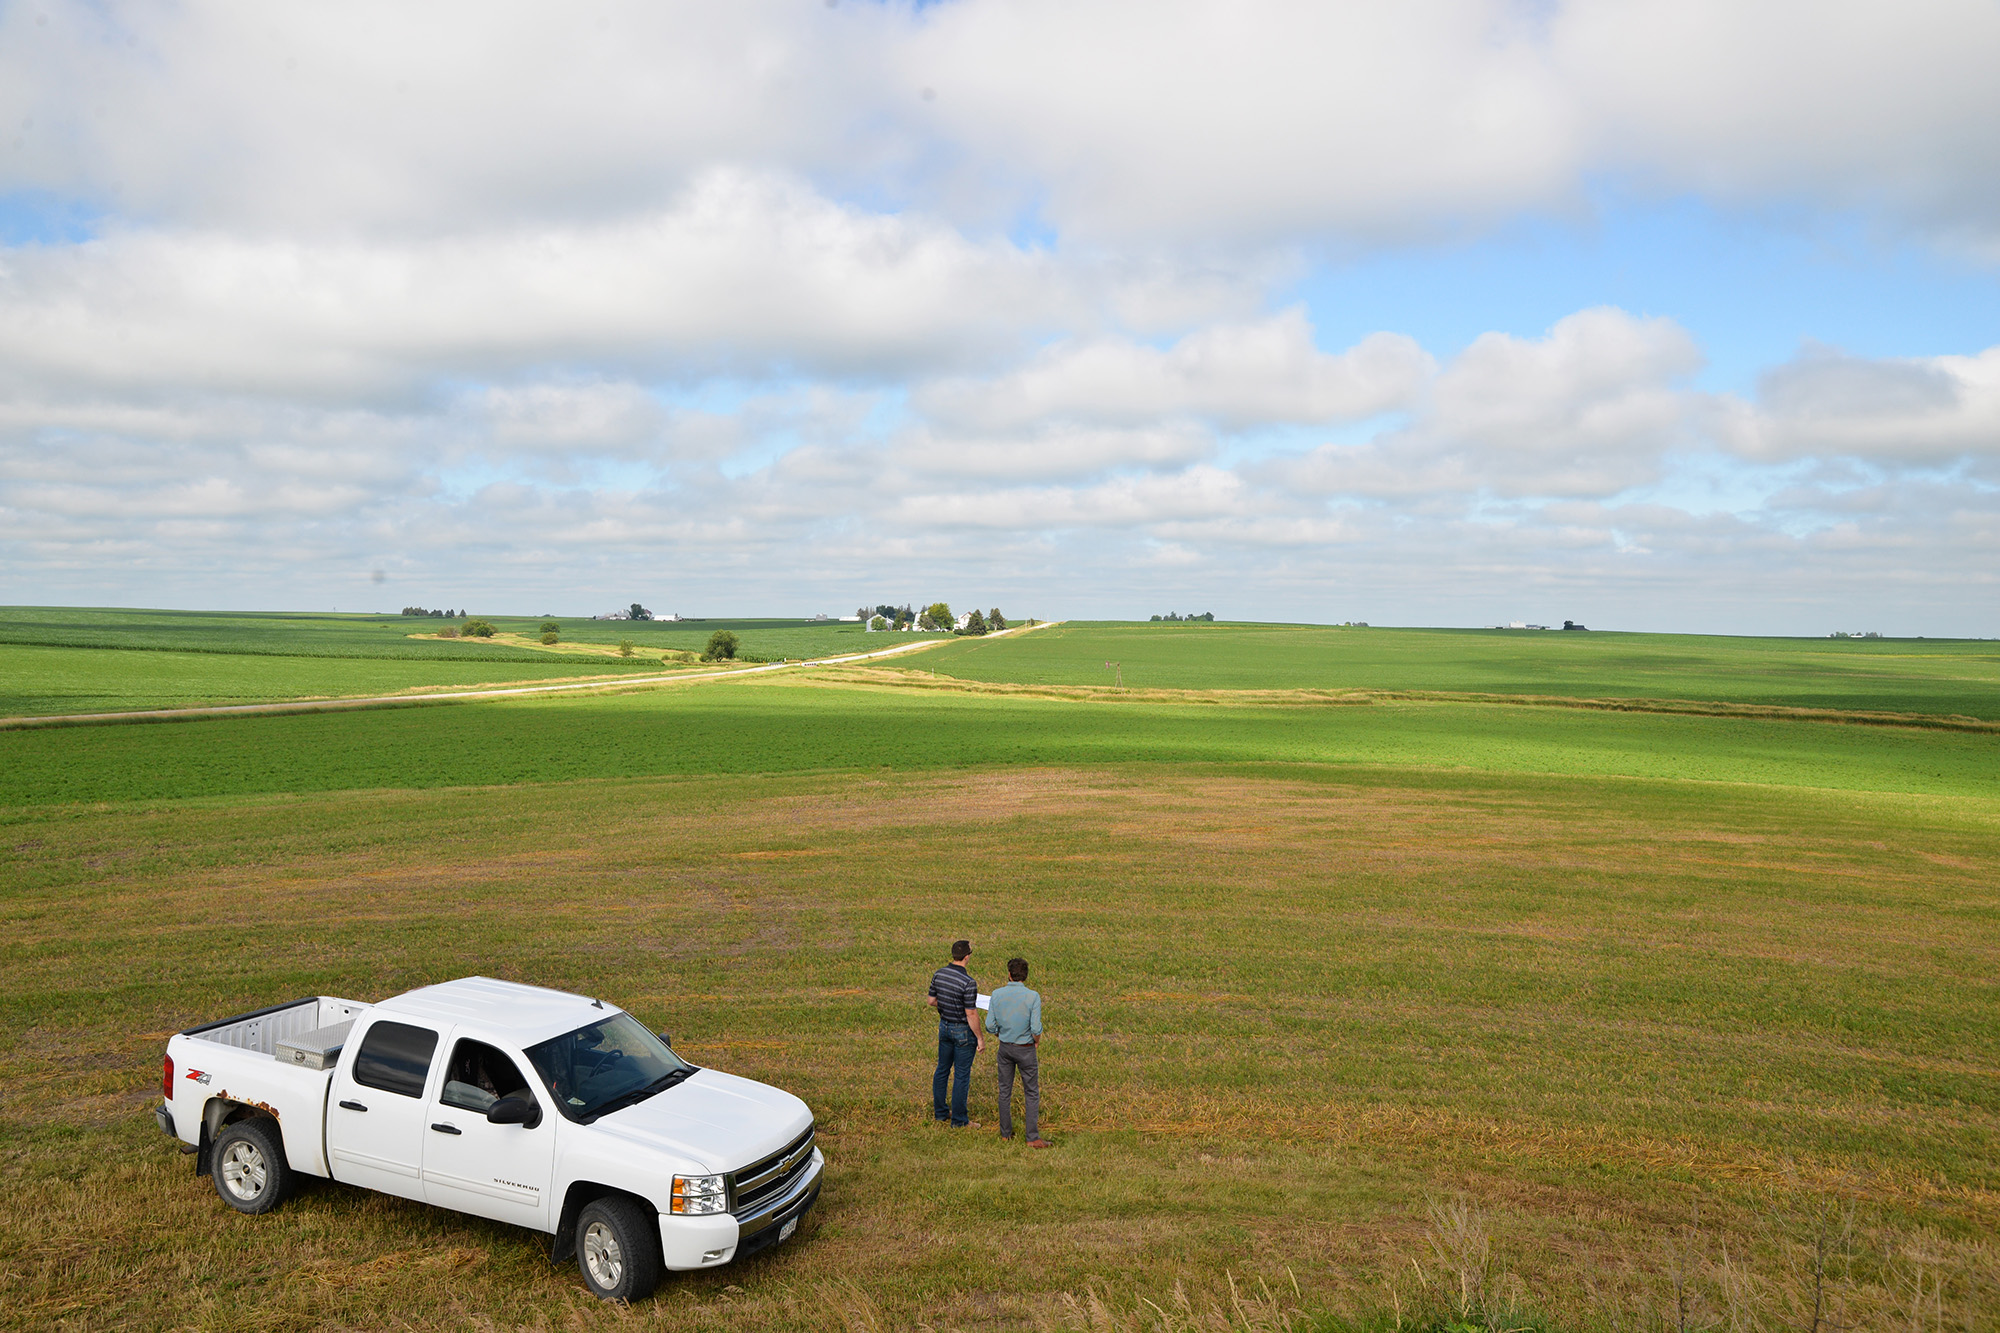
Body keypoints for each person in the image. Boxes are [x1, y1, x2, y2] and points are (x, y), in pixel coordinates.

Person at [985, 957, 1050, 1147]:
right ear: (1026, 976)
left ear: (1009, 974)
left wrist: (1000, 1034)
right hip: (1026, 1049)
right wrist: (1036, 1042)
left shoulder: (997, 994)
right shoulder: (1033, 997)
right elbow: (1036, 1028)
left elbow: (990, 1025)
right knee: (1031, 1091)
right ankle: (1032, 1137)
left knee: (1004, 1090)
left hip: (1005, 1047)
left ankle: (1005, 1133)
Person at [926, 939, 982, 1127]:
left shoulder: (939, 974)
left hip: (944, 1027)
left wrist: (948, 1005)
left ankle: (941, 1112)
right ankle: (959, 1120)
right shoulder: (968, 982)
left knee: (942, 1069)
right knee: (961, 1075)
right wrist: (980, 1038)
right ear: (967, 956)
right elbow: (971, 1013)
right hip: (962, 1031)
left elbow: (931, 1001)